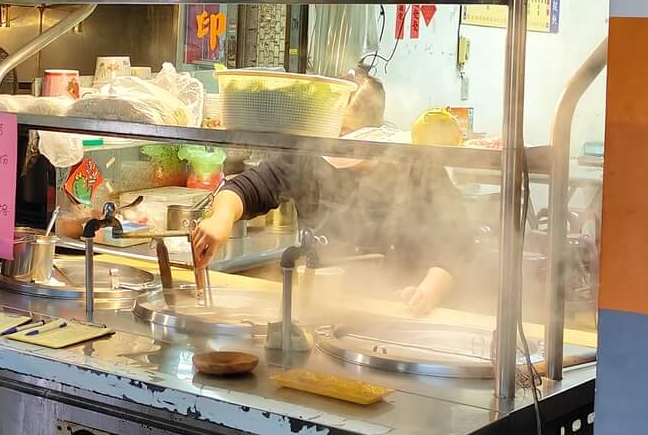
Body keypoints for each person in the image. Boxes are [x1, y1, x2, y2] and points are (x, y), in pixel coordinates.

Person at [190, 71, 469, 313]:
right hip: (323, 307)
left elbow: (460, 243)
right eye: (330, 134)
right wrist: (220, 219)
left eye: (346, 134)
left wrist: (429, 290)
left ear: (371, 133)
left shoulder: (416, 167)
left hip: (397, 311)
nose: (333, 145)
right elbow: (246, 187)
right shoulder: (308, 158)